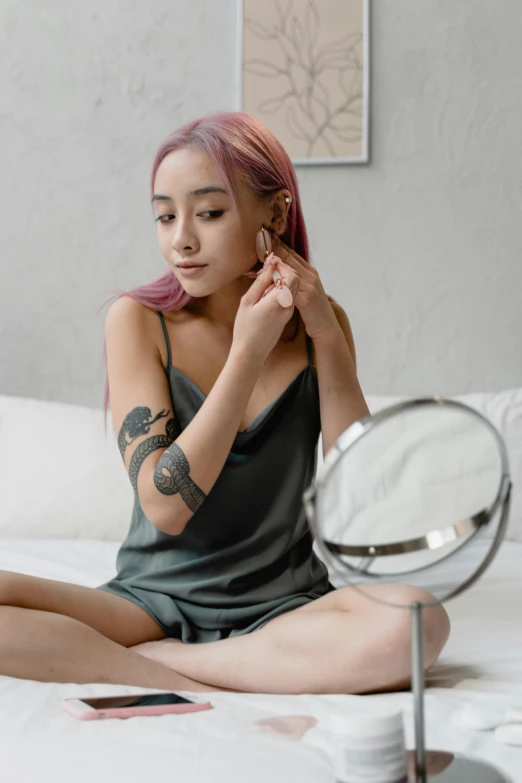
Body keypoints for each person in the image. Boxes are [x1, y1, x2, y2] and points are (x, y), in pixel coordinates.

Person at [0, 112, 450, 693]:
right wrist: (247, 353)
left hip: (288, 605)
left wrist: (327, 337)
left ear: (275, 212)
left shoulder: (325, 325)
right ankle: (228, 665)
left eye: (208, 213)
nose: (181, 239)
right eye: (165, 216)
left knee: (419, 622)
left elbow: (355, 497)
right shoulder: (136, 321)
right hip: (151, 603)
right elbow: (166, 507)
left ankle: (165, 668)